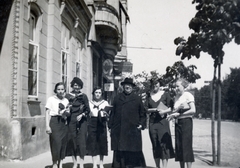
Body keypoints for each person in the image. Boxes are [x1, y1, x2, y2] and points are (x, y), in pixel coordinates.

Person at [108, 77, 146, 168]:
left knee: (133, 151)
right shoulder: (117, 98)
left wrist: (141, 124)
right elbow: (112, 113)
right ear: (123, 86)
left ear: (132, 87)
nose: (127, 87)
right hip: (119, 129)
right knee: (120, 150)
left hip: (132, 130)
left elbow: (143, 113)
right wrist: (110, 126)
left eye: (129, 85)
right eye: (126, 85)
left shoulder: (137, 99)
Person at [167, 78, 196, 168]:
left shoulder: (188, 95)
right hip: (178, 123)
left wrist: (178, 114)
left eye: (177, 86)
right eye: (175, 87)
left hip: (186, 122)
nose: (176, 88)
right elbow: (176, 110)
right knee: (179, 147)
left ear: (183, 86)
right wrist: (172, 115)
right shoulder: (176, 97)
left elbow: (193, 110)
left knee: (186, 147)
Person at [146, 79, 175, 168]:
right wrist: (154, 110)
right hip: (152, 123)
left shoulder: (165, 95)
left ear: (159, 84)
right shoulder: (149, 96)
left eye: (157, 84)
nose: (155, 86)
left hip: (163, 122)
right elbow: (145, 109)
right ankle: (157, 166)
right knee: (155, 145)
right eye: (153, 84)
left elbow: (172, 107)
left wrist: (164, 111)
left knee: (163, 145)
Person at [65, 77, 90, 168]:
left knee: (82, 141)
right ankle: (75, 163)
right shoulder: (67, 96)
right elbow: (65, 108)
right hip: (71, 121)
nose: (77, 87)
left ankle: (81, 163)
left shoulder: (84, 96)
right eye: (75, 85)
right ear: (72, 85)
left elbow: (88, 110)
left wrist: (82, 114)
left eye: (79, 85)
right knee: (73, 141)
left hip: (82, 121)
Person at [45, 82, 70, 168]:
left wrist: (65, 113)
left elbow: (67, 112)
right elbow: (47, 112)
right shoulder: (51, 99)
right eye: (58, 89)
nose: (60, 91)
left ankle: (61, 164)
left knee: (63, 143)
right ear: (55, 90)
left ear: (64, 90)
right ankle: (55, 164)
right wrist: (47, 126)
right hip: (54, 122)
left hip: (63, 123)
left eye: (62, 89)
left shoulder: (66, 100)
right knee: (55, 143)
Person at [87, 86, 110, 168]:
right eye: (96, 92)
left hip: (102, 123)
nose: (98, 94)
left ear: (102, 94)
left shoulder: (105, 103)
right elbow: (87, 113)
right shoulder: (89, 103)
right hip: (92, 122)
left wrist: (106, 114)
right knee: (93, 142)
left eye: (99, 93)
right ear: (93, 93)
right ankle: (94, 164)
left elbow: (108, 114)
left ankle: (101, 163)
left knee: (102, 142)